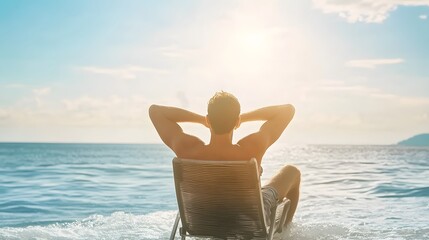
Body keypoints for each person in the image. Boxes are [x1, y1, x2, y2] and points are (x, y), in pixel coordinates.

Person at [149, 91, 300, 224]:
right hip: (249, 219)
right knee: (292, 171)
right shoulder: (252, 147)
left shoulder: (188, 150)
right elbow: (288, 110)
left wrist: (204, 120)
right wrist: (240, 118)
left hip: (203, 220)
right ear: (236, 121)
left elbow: (155, 111)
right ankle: (285, 232)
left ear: (209, 120)